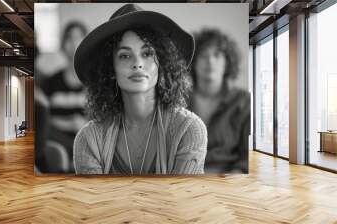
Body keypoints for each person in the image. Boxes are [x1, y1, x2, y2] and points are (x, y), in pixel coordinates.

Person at [72, 4, 207, 175]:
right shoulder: (88, 139)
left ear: (162, 63)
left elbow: (181, 199)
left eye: (147, 53)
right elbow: (94, 201)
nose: (137, 63)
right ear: (110, 69)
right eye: (125, 56)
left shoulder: (189, 129)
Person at [189, 28, 250, 173]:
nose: (210, 61)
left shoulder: (243, 102)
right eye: (203, 55)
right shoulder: (177, 101)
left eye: (216, 55)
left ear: (227, 62)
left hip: (228, 183)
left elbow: (248, 159)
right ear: (193, 61)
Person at [40, 21, 89, 172]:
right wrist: (70, 123)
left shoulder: (95, 81)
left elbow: (103, 119)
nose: (74, 43)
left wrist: (84, 125)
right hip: (57, 141)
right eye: (70, 38)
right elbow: (44, 120)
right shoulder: (49, 82)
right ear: (63, 44)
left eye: (79, 38)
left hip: (88, 139)